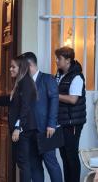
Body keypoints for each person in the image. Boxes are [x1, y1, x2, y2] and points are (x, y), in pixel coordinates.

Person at [22, 52, 62, 182]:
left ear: (30, 66)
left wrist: (52, 124)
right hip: (29, 131)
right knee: (35, 165)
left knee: (51, 164)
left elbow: (54, 101)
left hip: (45, 130)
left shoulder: (47, 79)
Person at [55, 46, 86, 182]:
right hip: (62, 122)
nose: (56, 61)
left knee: (71, 157)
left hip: (72, 123)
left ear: (68, 60)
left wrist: (55, 95)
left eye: (59, 58)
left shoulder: (77, 76)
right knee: (64, 156)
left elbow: (73, 99)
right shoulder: (60, 74)